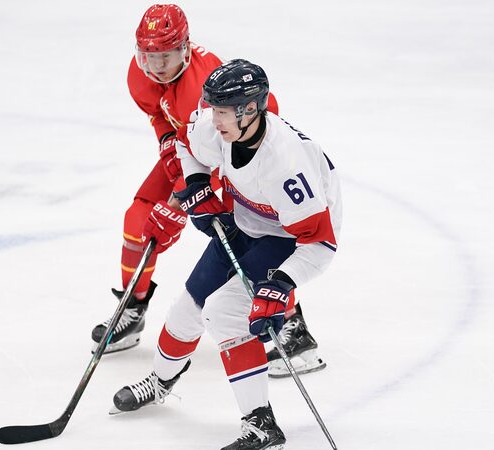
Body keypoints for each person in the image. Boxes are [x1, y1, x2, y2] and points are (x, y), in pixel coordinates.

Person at [110, 59, 342, 450]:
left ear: (250, 109)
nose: (213, 119)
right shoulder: (216, 126)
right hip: (243, 221)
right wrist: (197, 184)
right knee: (186, 311)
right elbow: (186, 144)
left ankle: (262, 425)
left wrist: (282, 284)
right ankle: (161, 381)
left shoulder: (287, 165)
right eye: (212, 108)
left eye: (222, 111)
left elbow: (320, 243)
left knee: (224, 312)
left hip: (286, 236)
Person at [91, 4, 326, 379]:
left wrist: (178, 202)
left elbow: (227, 151)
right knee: (138, 219)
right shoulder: (140, 73)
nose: (156, 65)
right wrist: (167, 141)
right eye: (149, 56)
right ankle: (132, 307)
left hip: (235, 161)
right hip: (191, 152)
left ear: (185, 48)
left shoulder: (202, 89)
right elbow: (160, 115)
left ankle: (292, 326)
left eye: (166, 56)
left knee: (250, 240)